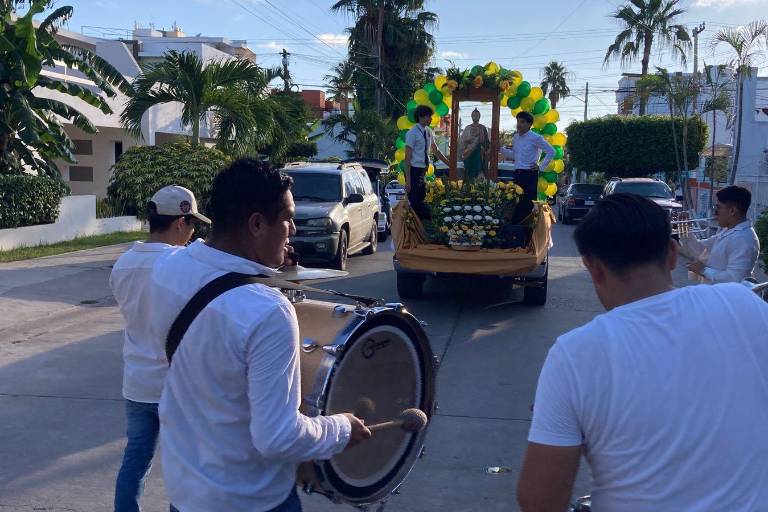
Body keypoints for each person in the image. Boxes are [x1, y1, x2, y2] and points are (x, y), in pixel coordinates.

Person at [517, 193, 768, 512]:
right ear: (672, 255)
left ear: (592, 268)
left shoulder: (575, 355)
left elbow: (540, 502)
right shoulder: (744, 304)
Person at [150, 159, 371, 512]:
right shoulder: (267, 311)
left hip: (186, 493)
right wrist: (341, 429)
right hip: (251, 501)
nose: (293, 229)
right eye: (287, 219)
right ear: (257, 224)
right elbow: (278, 438)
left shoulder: (166, 270)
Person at [110, 185, 210, 512]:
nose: (193, 232)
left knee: (135, 461)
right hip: (175, 387)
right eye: (192, 224)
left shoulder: (123, 263)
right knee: (184, 468)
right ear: (179, 222)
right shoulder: (182, 264)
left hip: (137, 383)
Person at [686, 185, 760, 283]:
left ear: (732, 211)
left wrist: (703, 270)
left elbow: (735, 279)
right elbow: (700, 248)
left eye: (718, 208)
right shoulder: (729, 231)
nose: (715, 213)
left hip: (724, 297)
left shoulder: (742, 239)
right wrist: (684, 228)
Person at [500, 111, 555, 223]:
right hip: (517, 175)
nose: (519, 124)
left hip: (529, 175)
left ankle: (527, 235)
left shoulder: (536, 138)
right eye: (518, 121)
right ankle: (515, 233)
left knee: (527, 205)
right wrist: (500, 149)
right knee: (515, 204)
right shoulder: (516, 137)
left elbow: (551, 151)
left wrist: (540, 166)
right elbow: (514, 155)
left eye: (522, 122)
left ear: (529, 124)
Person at [404, 104, 449, 219]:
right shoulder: (412, 133)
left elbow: (435, 150)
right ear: (421, 116)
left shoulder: (428, 131)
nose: (431, 119)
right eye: (429, 116)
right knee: (415, 202)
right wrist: (408, 181)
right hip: (414, 170)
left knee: (422, 198)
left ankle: (422, 227)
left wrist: (449, 163)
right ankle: (414, 230)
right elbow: (407, 158)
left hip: (423, 170)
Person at [460, 108, 490, 181]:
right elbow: (462, 142)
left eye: (477, 115)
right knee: (468, 175)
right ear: (471, 116)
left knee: (478, 175)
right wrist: (469, 142)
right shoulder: (467, 128)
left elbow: (486, 143)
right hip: (468, 154)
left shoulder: (483, 128)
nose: (475, 116)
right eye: (473, 115)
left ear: (479, 116)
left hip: (479, 154)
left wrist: (480, 141)